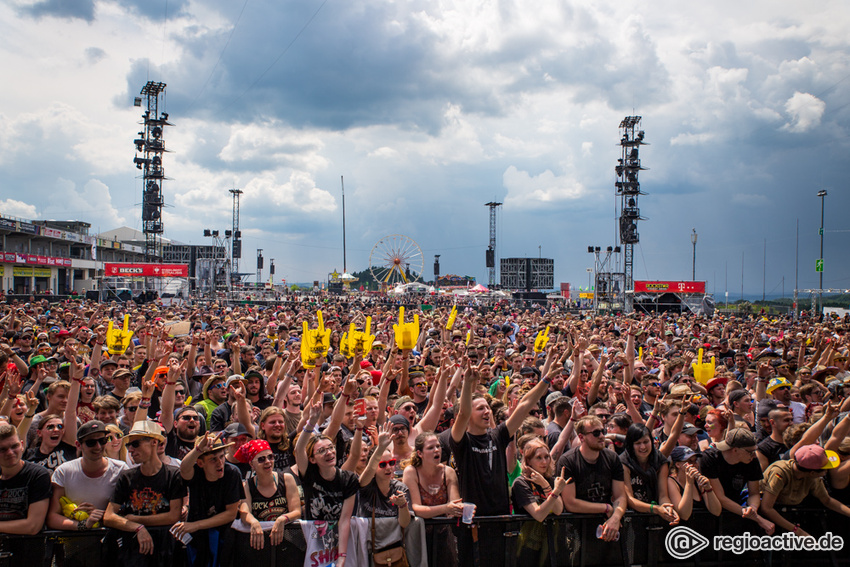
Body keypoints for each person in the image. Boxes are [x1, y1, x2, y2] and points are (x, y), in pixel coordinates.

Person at [450, 358, 552, 561]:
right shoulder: (461, 441)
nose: (486, 411)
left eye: (487, 408)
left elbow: (524, 406)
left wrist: (546, 379)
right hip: (474, 524)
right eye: (480, 409)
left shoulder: (497, 435)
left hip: (500, 520)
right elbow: (463, 412)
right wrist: (469, 385)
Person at [103, 420, 186, 566]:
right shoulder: (126, 477)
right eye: (128, 445)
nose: (130, 450)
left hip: (166, 549)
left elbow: (173, 516)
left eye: (135, 444)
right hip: (133, 549)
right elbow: (109, 516)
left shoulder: (173, 475)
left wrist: (135, 519)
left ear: (154, 442)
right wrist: (137, 527)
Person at [295, 401, 359, 567]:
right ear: (312, 459)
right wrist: (311, 422)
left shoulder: (348, 479)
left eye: (331, 448)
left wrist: (342, 556)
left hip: (340, 542)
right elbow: (299, 449)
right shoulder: (309, 474)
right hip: (313, 544)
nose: (329, 453)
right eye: (322, 451)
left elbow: (344, 520)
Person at [174, 432, 245, 567]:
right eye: (213, 459)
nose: (220, 463)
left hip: (224, 536)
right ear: (200, 463)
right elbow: (184, 468)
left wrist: (196, 525)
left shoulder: (232, 473)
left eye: (222, 457)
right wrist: (198, 450)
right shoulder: (195, 471)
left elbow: (230, 514)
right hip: (198, 538)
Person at [47, 420, 128, 531]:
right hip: (75, 541)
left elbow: (129, 511)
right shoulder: (64, 471)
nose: (98, 446)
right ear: (78, 445)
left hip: (111, 540)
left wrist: (103, 516)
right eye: (91, 442)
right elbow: (52, 517)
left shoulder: (121, 469)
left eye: (102, 441)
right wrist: (83, 525)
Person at [557, 415, 627, 542]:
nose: (601, 436)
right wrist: (605, 508)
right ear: (581, 437)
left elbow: (620, 496)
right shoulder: (568, 461)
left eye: (603, 431)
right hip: (577, 532)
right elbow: (570, 503)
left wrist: (616, 517)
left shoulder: (612, 458)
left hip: (607, 528)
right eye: (595, 433)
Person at [760, 444, 850, 537]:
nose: (826, 473)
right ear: (813, 472)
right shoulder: (780, 473)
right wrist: (799, 532)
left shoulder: (812, 477)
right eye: (825, 470)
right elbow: (766, 508)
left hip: (789, 519)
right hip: (767, 524)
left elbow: (827, 500)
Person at [235, 439, 301, 563]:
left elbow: (296, 511)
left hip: (287, 543)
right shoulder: (247, 486)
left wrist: (282, 519)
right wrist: (253, 522)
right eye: (261, 459)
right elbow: (244, 512)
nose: (268, 462)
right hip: (260, 546)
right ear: (252, 464)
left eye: (270, 457)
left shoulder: (287, 479)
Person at [698, 427, 775, 534]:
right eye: (750, 451)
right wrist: (758, 518)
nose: (754, 455)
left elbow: (754, 493)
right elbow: (720, 497)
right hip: (711, 512)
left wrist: (752, 508)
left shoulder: (751, 460)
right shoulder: (709, 458)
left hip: (738, 510)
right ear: (735, 450)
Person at [402, 431, 462, 567]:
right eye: (430, 448)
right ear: (420, 453)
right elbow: (416, 508)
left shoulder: (448, 472)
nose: (436, 450)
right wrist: (445, 508)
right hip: (419, 536)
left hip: (444, 536)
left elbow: (455, 505)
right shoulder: (411, 472)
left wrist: (458, 509)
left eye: (438, 446)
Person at [357, 425, 412, 565]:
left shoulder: (400, 488)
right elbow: (364, 477)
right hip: (369, 553)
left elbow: (405, 523)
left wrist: (403, 505)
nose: (388, 468)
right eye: (382, 465)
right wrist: (380, 447)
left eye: (391, 463)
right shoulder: (368, 487)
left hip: (395, 551)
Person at [510, 437, 568, 567]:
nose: (544, 462)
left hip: (551, 544)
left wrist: (546, 485)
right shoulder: (521, 483)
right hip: (527, 547)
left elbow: (558, 510)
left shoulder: (550, 481)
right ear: (528, 461)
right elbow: (539, 515)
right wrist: (554, 491)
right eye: (539, 458)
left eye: (547, 457)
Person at [619, 424, 678, 525]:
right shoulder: (624, 462)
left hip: (655, 516)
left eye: (646, 442)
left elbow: (663, 495)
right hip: (632, 519)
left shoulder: (660, 460)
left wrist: (668, 508)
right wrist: (655, 509)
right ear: (631, 445)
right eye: (638, 443)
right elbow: (629, 499)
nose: (643, 447)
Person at [0, 423, 51, 535]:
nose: (10, 453)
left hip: (29, 549)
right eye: (2, 449)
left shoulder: (38, 475)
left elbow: (33, 526)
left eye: (14, 446)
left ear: (22, 445)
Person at [667, 446, 721, 521]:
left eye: (695, 461)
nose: (694, 465)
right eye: (689, 461)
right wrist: (689, 483)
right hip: (683, 531)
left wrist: (709, 489)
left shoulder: (698, 482)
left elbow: (717, 512)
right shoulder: (671, 481)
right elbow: (684, 515)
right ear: (678, 464)